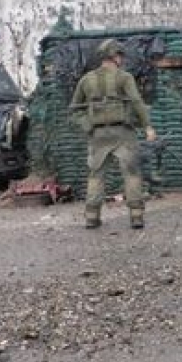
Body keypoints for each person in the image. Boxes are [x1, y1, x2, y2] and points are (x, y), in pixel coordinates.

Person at [70, 39, 157, 229]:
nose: (121, 59)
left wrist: (88, 125)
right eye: (120, 56)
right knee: (132, 174)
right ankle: (136, 216)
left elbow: (75, 108)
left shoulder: (86, 80)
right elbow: (136, 102)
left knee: (96, 175)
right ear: (115, 56)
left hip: (98, 134)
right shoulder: (124, 77)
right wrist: (148, 126)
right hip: (123, 133)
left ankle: (92, 217)